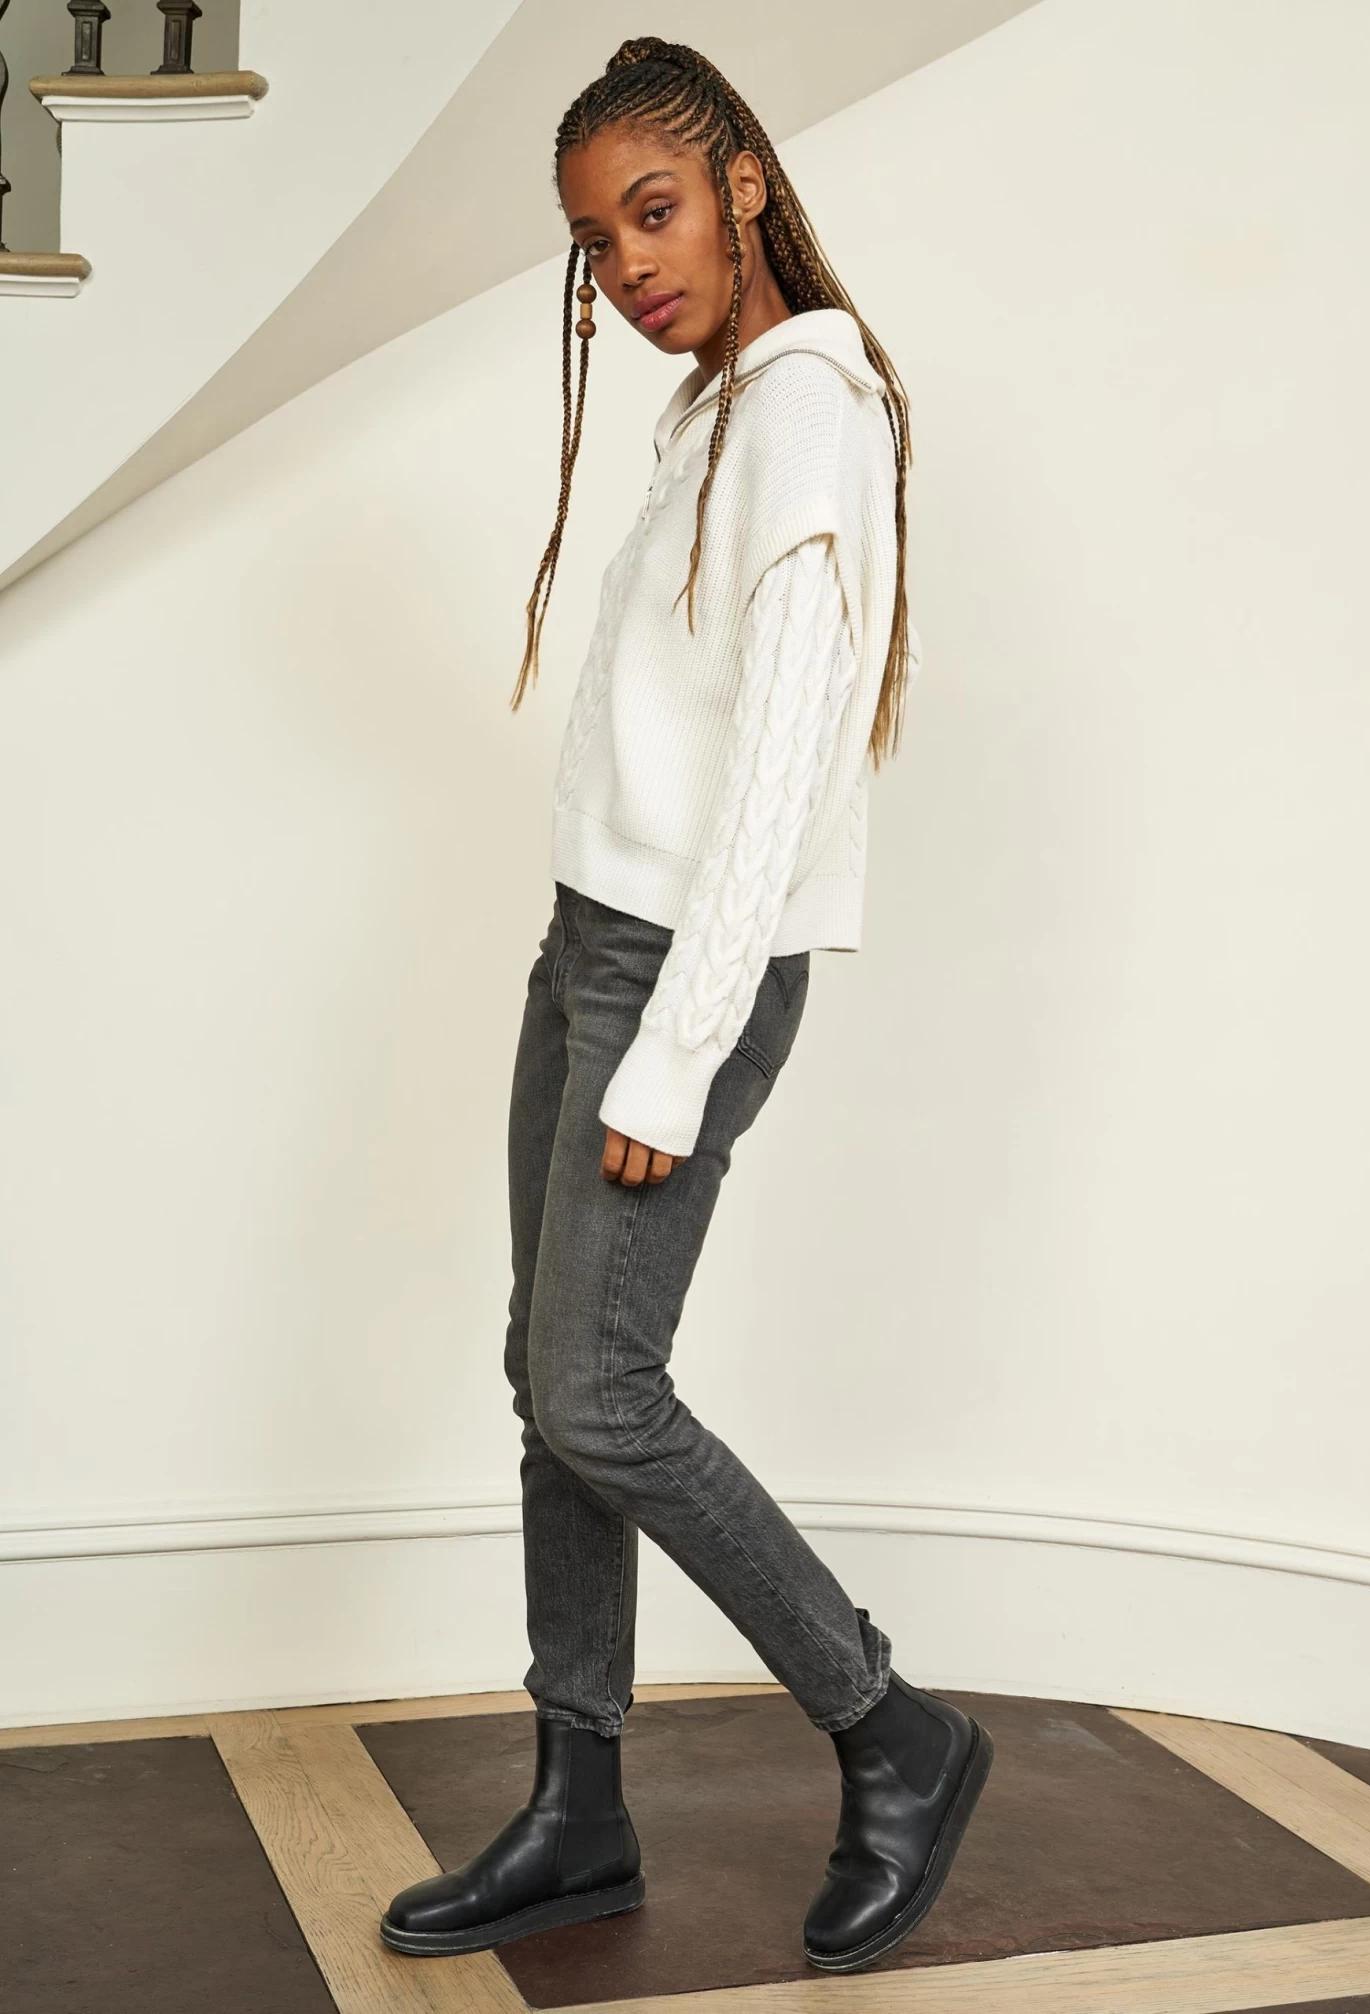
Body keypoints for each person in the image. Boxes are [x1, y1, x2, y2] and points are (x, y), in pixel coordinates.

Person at [380, 36, 990, 1977]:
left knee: (598, 1389)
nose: (627, 265)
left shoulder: (808, 403)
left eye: (651, 211)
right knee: (546, 1376)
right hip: (590, 947)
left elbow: (784, 766)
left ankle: (892, 1728)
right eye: (593, 240)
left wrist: (678, 1042)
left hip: (674, 976)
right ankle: (579, 1805)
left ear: (740, 184)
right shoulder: (717, 404)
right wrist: (606, 991)